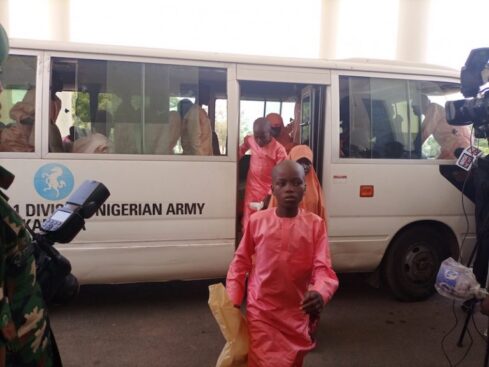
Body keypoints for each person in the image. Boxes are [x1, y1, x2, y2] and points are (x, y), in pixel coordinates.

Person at [226, 160, 339, 366]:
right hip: (261, 310)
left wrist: (320, 292)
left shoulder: (315, 225)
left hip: (297, 312)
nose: (289, 189)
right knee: (262, 360)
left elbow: (324, 269)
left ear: (305, 188)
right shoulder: (257, 221)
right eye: (282, 183)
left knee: (291, 361)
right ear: (272, 189)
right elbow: (240, 262)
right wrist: (232, 298)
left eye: (296, 183)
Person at [239, 117, 287, 230]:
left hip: (268, 191)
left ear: (270, 133)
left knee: (265, 223)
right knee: (248, 220)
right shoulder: (250, 140)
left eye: (263, 137)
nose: (259, 141)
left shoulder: (279, 150)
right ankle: (247, 243)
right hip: (252, 188)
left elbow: (281, 176)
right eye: (257, 137)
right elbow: (240, 150)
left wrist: (269, 196)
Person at [269, 145, 327, 227]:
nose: (304, 166)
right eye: (299, 162)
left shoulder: (315, 185)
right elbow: (272, 214)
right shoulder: (281, 186)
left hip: (309, 230)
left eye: (307, 162)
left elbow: (321, 211)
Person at [413, 94, 472, 159]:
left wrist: (411, 150)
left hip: (457, 146)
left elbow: (424, 133)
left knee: (434, 167)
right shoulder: (434, 110)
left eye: (413, 105)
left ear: (420, 104)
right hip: (459, 145)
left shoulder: (433, 108)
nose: (412, 108)